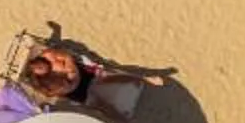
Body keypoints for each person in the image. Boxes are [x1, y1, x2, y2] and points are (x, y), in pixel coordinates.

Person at [17, 40, 166, 108]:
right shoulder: (40, 82)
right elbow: (52, 93)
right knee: (98, 105)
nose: (42, 69)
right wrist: (65, 85)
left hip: (81, 73)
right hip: (74, 91)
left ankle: (145, 79)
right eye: (39, 70)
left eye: (41, 66)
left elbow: (67, 57)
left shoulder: (49, 55)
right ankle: (121, 117)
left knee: (112, 72)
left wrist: (69, 71)